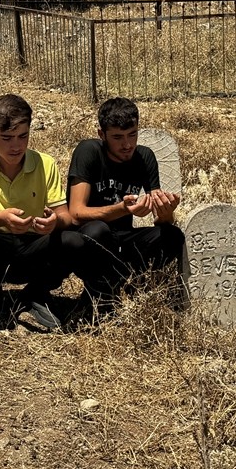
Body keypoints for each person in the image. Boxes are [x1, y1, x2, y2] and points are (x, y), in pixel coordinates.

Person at [0, 94, 84, 331]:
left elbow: (66, 217)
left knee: (74, 240)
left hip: (34, 246)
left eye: (23, 136)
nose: (16, 146)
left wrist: (53, 223)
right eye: (7, 138)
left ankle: (34, 294)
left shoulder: (45, 163)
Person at [67, 97, 184, 313]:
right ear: (102, 135)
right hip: (86, 239)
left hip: (122, 237)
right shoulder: (88, 151)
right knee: (97, 230)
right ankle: (104, 291)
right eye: (118, 137)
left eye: (133, 135)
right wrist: (121, 209)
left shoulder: (144, 157)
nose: (127, 144)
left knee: (173, 236)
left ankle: (118, 286)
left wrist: (166, 212)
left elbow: (160, 220)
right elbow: (75, 213)